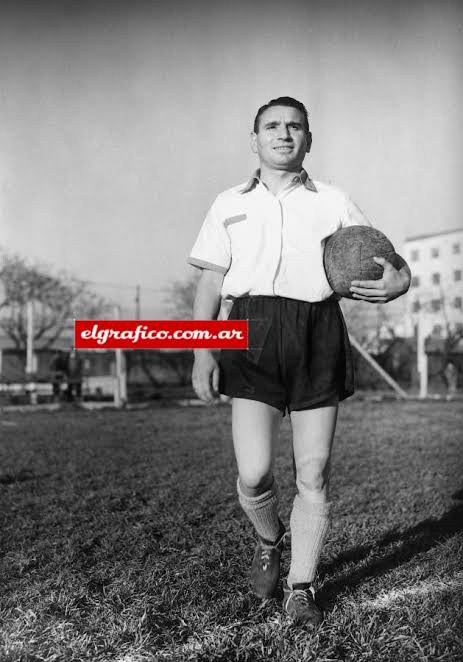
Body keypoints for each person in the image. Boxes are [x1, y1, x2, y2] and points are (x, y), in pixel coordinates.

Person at [188, 97, 411, 627]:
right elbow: (210, 283)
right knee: (254, 472)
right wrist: (202, 350)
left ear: (309, 139)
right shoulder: (228, 203)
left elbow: (388, 261)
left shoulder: (334, 200)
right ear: (254, 140)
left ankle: (301, 587)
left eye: (295, 126)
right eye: (272, 126)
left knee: (313, 472)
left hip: (318, 331)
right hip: (250, 332)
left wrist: (400, 281)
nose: (284, 134)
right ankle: (269, 539)